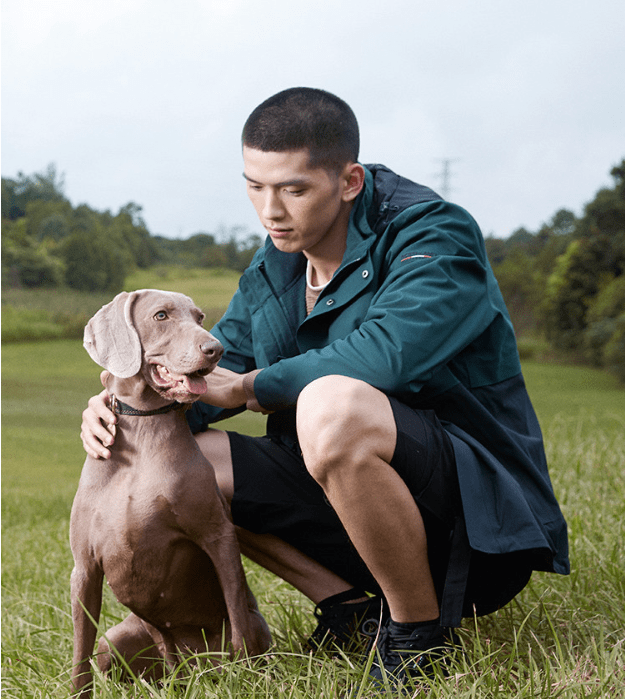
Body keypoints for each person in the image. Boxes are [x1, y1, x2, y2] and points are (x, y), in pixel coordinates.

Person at [81, 87, 569, 688]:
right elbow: (210, 366)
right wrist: (119, 407)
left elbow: (384, 358)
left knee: (332, 404)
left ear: (349, 181)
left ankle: (417, 636)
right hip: (344, 516)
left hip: (475, 530)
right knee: (182, 460)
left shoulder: (434, 236)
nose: (270, 210)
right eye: (255, 186)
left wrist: (252, 388)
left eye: (293, 188)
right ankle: (349, 610)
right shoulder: (276, 262)